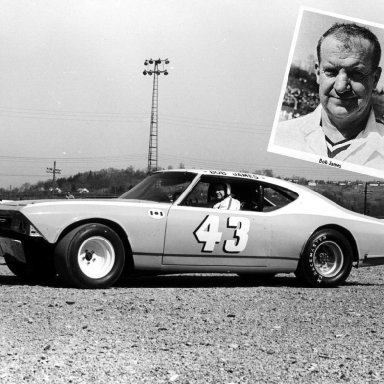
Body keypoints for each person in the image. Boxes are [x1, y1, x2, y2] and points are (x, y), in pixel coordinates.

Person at [274, 23, 384, 168]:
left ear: (375, 79)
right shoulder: (281, 135)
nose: (340, 87)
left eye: (356, 74)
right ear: (318, 73)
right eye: (331, 72)